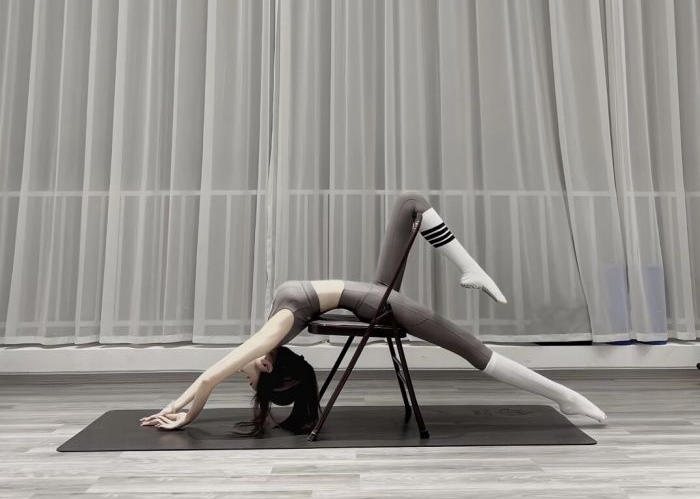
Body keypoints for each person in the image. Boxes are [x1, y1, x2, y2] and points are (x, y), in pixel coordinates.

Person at [140, 193, 606, 433]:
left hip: (373, 294)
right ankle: (564, 396)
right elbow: (211, 376)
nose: (242, 369)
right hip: (378, 300)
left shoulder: (276, 330)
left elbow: (210, 375)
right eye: (249, 377)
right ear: (266, 364)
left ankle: (471, 268)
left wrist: (181, 408)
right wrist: (183, 409)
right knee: (472, 350)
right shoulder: (277, 332)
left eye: (246, 379)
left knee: (411, 203)